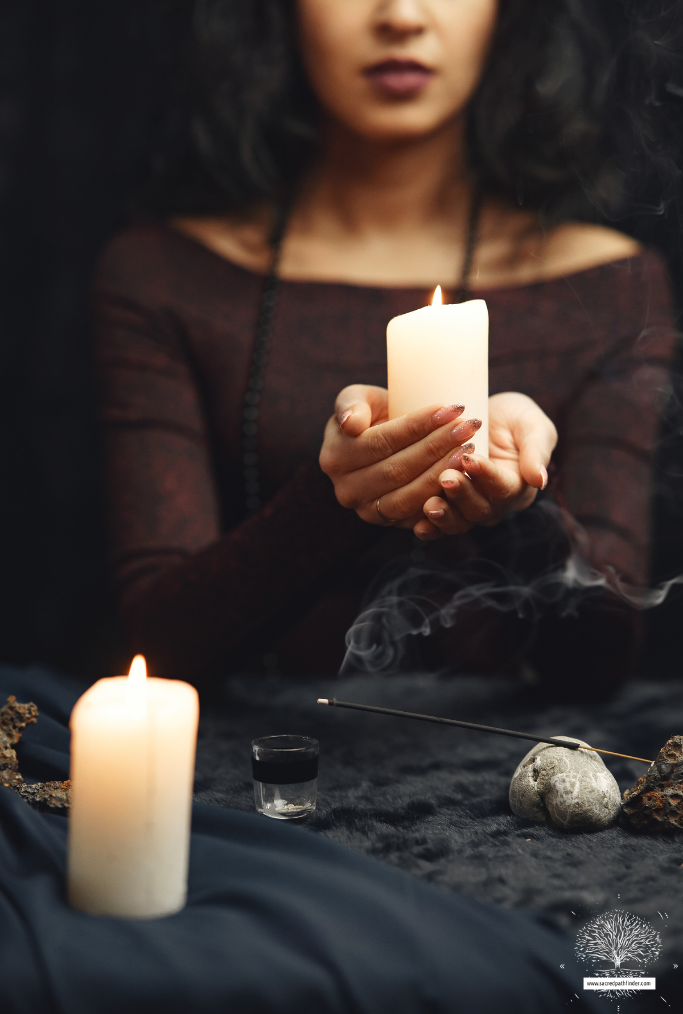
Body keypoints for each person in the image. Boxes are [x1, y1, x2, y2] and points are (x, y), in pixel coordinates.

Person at [94, 0, 676, 687]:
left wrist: (516, 500)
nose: (401, 15)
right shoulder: (167, 276)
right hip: (261, 773)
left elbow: (600, 658)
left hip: (505, 778)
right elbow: (158, 650)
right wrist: (335, 495)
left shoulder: (609, 285)